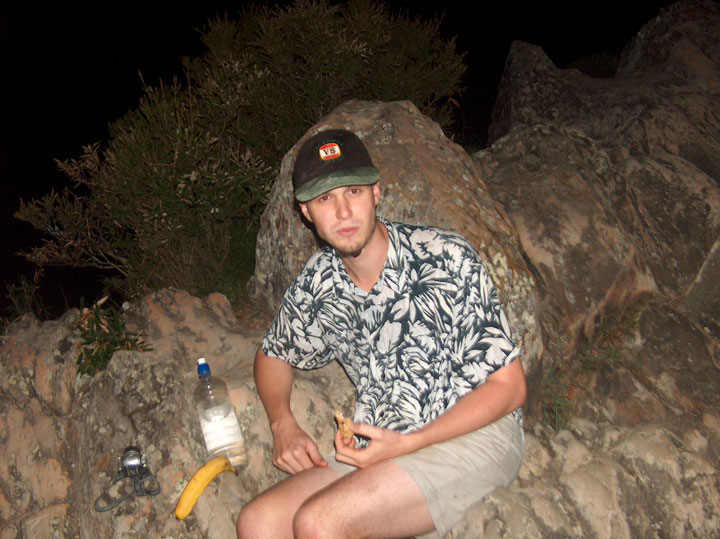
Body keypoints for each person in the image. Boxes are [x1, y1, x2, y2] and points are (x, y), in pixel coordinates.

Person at [236, 128, 527, 539]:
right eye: (324, 199)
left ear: (376, 192)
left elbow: (511, 387)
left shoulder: (445, 258)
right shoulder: (319, 283)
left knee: (319, 523)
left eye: (352, 192)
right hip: (382, 441)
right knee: (258, 523)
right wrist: (282, 423)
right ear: (306, 213)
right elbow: (272, 355)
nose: (342, 212)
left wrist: (412, 443)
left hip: (475, 436)